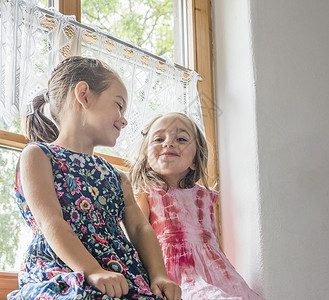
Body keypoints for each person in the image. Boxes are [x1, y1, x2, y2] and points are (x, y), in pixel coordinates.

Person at [8, 56, 181, 300]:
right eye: (119, 105)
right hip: (63, 271)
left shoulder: (116, 176)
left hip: (122, 275)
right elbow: (51, 222)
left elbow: (141, 227)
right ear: (84, 95)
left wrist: (160, 276)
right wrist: (92, 271)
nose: (124, 119)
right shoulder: (38, 155)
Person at [129, 112, 264, 300]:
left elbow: (214, 245)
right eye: (159, 139)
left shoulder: (205, 197)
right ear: (146, 159)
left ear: (194, 161)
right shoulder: (147, 191)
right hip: (174, 273)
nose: (168, 143)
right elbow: (136, 236)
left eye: (181, 139)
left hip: (217, 273)